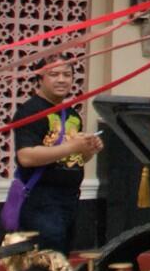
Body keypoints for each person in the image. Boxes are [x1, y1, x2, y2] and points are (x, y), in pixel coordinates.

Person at [12, 55, 103, 255]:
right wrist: (72, 146)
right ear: (40, 79)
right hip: (42, 199)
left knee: (62, 260)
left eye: (67, 75)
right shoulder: (30, 111)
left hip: (69, 198)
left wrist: (88, 149)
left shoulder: (72, 114)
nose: (62, 79)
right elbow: (26, 157)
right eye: (53, 74)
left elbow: (75, 160)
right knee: (45, 263)